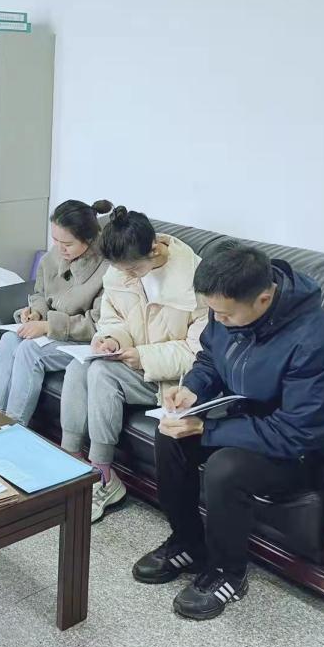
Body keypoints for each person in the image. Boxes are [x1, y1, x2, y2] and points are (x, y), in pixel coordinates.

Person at [132, 241, 324, 620]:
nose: (218, 319)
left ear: (264, 298)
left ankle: (228, 572)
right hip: (251, 420)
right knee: (169, 434)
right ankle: (188, 542)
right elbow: (210, 358)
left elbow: (295, 432)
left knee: (226, 467)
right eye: (213, 312)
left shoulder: (318, 341)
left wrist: (205, 428)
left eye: (225, 314)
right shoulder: (226, 310)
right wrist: (193, 389)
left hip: (308, 447)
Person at [60, 208, 207, 523]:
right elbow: (112, 318)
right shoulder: (120, 271)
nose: (126, 276)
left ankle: (103, 476)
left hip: (171, 382)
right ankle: (70, 459)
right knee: (79, 367)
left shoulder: (195, 281)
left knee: (100, 372)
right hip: (132, 362)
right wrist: (111, 339)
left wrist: (143, 356)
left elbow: (198, 354)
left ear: (154, 249)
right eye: (120, 270)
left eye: (133, 269)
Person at [0, 199, 112, 425]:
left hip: (82, 340)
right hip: (49, 332)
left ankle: (13, 426)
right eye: (55, 240)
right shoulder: (53, 257)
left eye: (67, 243)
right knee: (8, 340)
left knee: (29, 351)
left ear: (89, 239)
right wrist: (36, 313)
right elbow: (39, 293)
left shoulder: (107, 269)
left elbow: (97, 325)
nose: (59, 248)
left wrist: (48, 326)